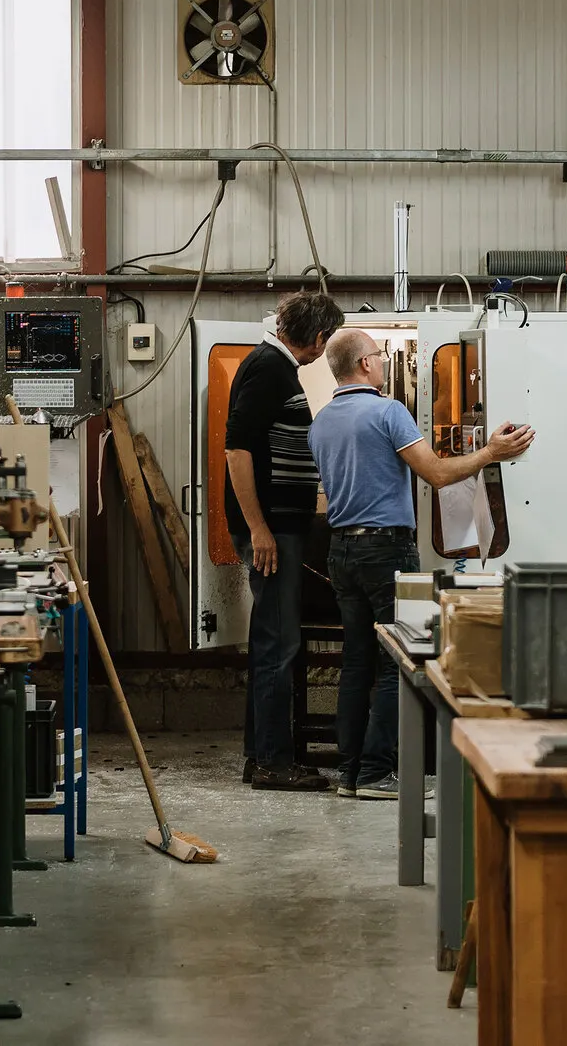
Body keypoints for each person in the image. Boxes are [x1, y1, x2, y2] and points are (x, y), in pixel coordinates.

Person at [309, 328, 535, 799]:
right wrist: (491, 453)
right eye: (378, 354)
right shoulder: (388, 411)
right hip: (385, 550)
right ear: (365, 364)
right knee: (400, 659)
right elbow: (434, 473)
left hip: (342, 551)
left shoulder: (323, 420)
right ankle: (376, 774)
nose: (385, 362)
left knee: (357, 663)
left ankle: (350, 773)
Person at [224, 291, 347, 791]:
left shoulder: (276, 368)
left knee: (271, 640)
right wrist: (259, 529)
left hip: (279, 526)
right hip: (272, 529)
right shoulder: (268, 368)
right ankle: (276, 762)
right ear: (318, 339)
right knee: (281, 643)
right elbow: (237, 451)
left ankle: (262, 755)